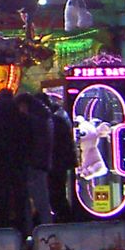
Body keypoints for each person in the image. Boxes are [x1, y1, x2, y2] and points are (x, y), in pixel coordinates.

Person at [0, 90, 30, 234]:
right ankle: (22, 230)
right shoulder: (22, 118)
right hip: (19, 163)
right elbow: (29, 141)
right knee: (20, 200)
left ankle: (4, 229)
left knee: (2, 200)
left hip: (0, 165)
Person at [18, 92, 56, 229]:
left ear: (24, 105)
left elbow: (29, 143)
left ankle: (32, 230)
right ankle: (47, 229)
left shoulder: (31, 120)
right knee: (42, 201)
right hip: (42, 164)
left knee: (30, 201)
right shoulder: (45, 117)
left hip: (33, 165)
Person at [45, 93, 77, 222]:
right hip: (61, 162)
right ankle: (65, 217)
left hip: (54, 162)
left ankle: (63, 217)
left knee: (55, 192)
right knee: (59, 190)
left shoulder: (52, 121)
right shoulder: (60, 118)